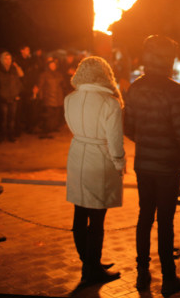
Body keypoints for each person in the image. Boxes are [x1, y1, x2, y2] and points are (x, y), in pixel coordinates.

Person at [123, 35, 180, 297]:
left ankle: (142, 273)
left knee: (145, 216)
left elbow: (128, 126)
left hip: (144, 163)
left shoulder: (136, 88)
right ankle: (168, 277)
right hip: (168, 166)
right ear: (168, 59)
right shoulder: (175, 91)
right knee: (165, 220)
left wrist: (144, 141)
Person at [64, 56, 125, 285]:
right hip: (99, 159)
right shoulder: (109, 103)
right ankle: (92, 268)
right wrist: (120, 164)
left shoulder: (70, 99)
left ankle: (89, 262)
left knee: (79, 215)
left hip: (77, 153)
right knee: (97, 219)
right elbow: (115, 142)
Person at [0, 52, 23, 142]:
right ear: (2, 60)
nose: (8, 61)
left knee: (12, 118)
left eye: (10, 59)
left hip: (13, 97)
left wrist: (17, 93)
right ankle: (2, 136)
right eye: (6, 59)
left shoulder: (14, 70)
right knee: (3, 119)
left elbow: (20, 79)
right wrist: (0, 94)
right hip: (3, 98)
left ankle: (11, 135)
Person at [37, 57, 65, 138]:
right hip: (48, 98)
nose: (53, 66)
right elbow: (40, 86)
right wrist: (41, 97)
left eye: (54, 65)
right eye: (51, 65)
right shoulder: (44, 75)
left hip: (58, 97)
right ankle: (47, 131)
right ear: (48, 65)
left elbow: (63, 85)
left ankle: (53, 128)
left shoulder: (59, 74)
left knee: (56, 115)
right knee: (49, 116)